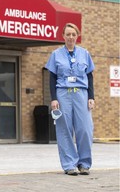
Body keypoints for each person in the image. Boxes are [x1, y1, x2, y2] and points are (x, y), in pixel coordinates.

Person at [45, 23, 95, 176]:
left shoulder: (84, 53)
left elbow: (89, 76)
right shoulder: (56, 54)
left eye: (73, 34)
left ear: (77, 36)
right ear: (63, 36)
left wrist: (91, 97)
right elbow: (52, 78)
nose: (71, 37)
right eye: (68, 34)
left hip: (81, 94)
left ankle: (84, 163)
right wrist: (53, 99)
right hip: (63, 93)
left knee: (85, 129)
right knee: (64, 129)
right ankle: (69, 165)